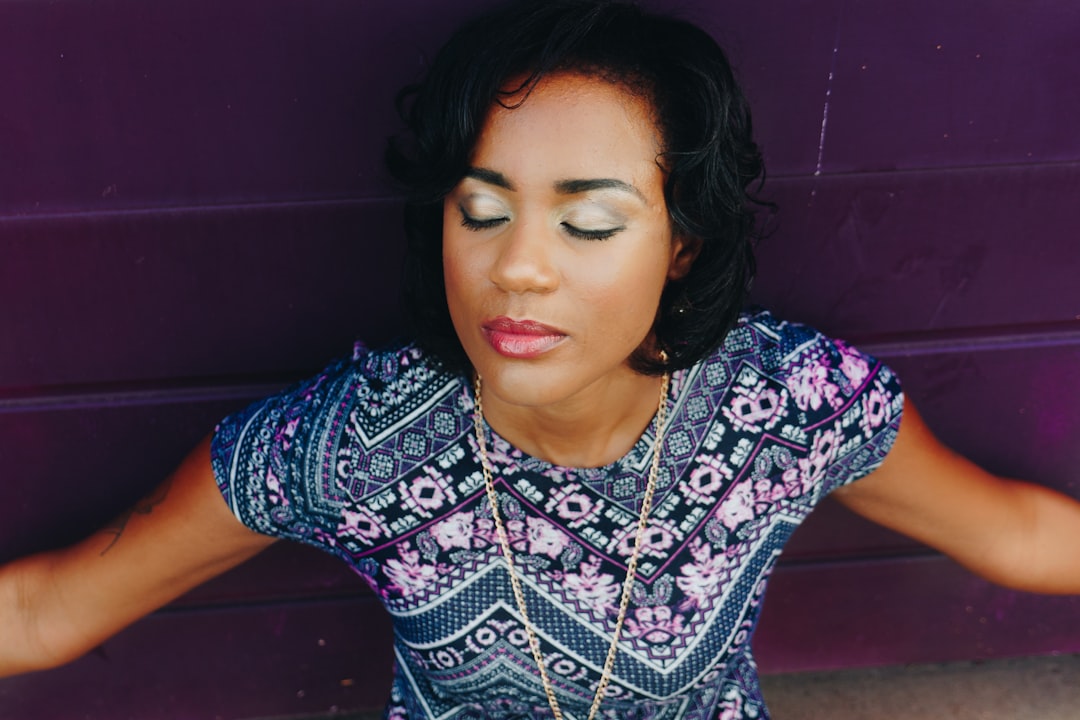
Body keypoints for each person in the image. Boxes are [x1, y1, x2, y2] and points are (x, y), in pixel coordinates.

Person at [2, 1, 1078, 718]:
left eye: (590, 223)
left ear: (682, 242)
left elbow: (1017, 532)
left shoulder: (787, 407)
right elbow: (50, 610)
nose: (515, 269)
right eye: (481, 211)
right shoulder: (354, 445)